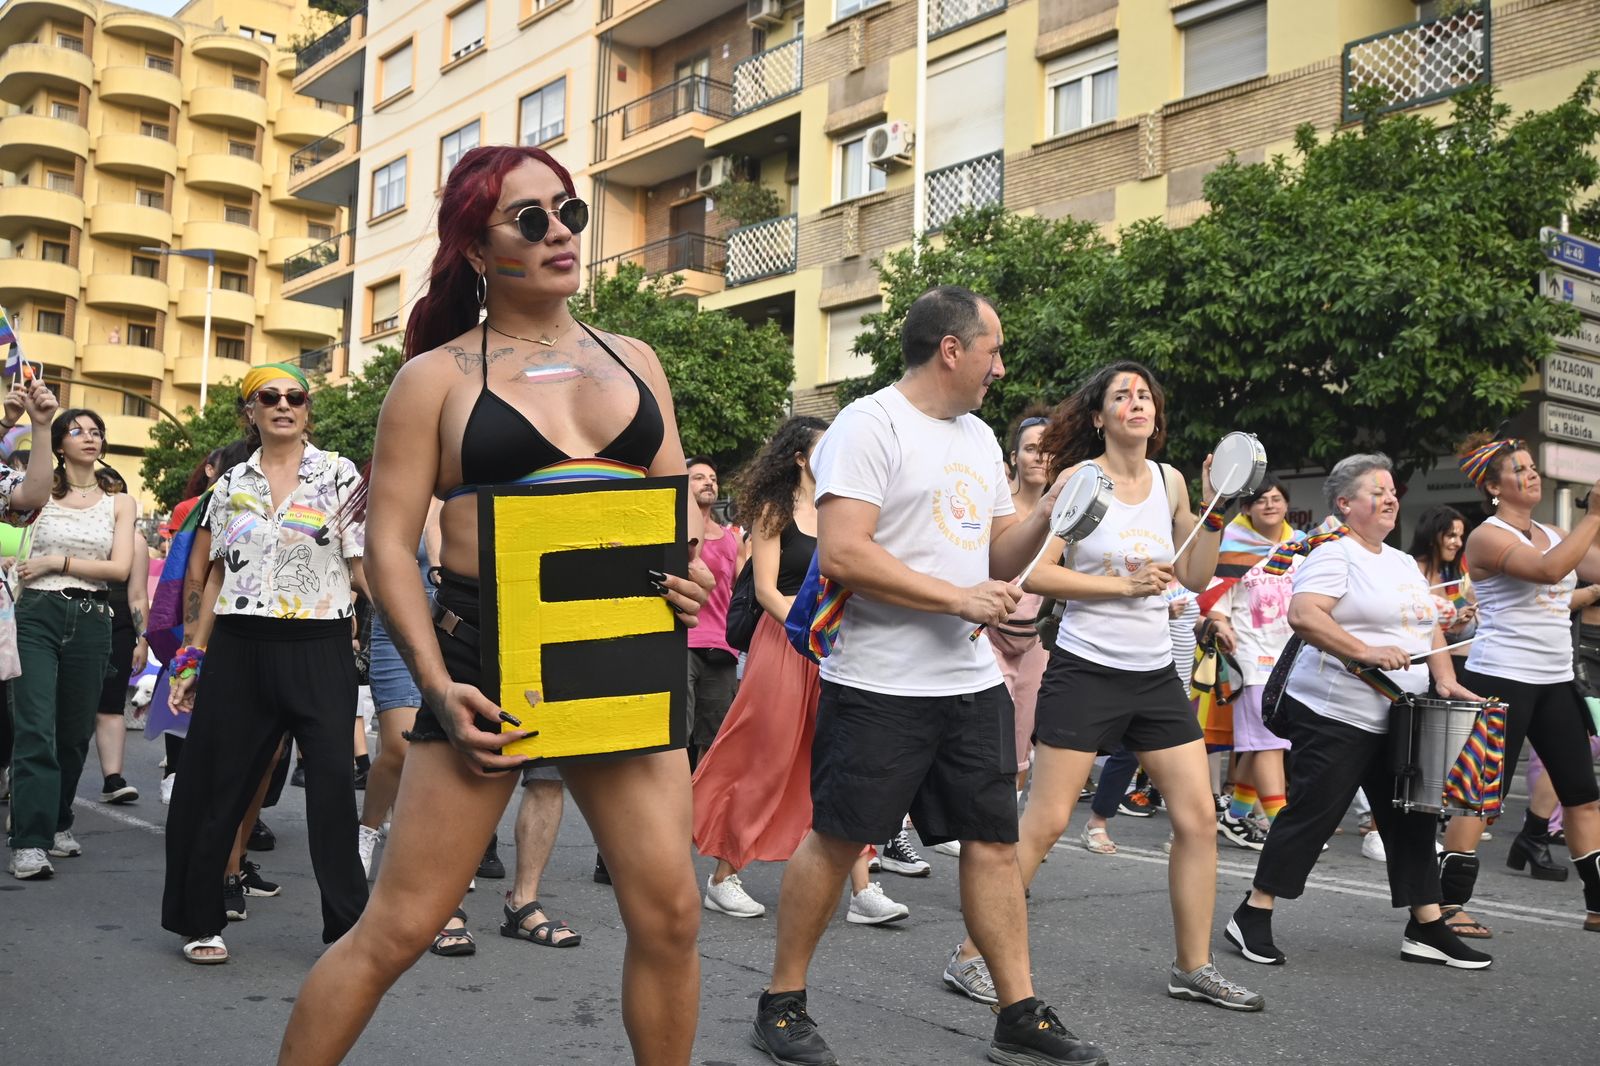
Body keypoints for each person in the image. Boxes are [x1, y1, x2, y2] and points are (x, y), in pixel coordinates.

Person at [276, 144, 709, 1066]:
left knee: (672, 918)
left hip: (622, 656)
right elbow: (388, 545)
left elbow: (674, 510)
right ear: (477, 248)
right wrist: (434, 684)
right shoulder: (434, 378)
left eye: (569, 213)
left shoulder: (636, 359)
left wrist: (692, 573)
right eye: (530, 219)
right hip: (488, 664)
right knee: (396, 929)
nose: (560, 234)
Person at [751, 286, 1109, 1066]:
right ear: (952, 349)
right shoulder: (868, 425)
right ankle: (781, 1002)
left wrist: (1049, 511)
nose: (1001, 368)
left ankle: (1017, 1010)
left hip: (967, 680)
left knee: (990, 842)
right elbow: (845, 552)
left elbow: (996, 553)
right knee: (839, 839)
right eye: (994, 349)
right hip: (878, 681)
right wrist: (958, 596)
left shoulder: (979, 437)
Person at [948, 361, 1261, 1014]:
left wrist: (1214, 512)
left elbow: (1198, 576)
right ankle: (971, 956)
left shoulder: (1172, 481)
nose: (1136, 402)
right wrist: (1123, 585)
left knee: (1198, 817)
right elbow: (1038, 576)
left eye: (1144, 394)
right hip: (1086, 668)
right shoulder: (1080, 481)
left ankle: (1193, 965)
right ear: (1099, 417)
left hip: (1152, 676)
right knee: (1045, 821)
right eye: (1122, 395)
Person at [1225, 453, 1493, 970]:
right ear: (1346, 504)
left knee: (1411, 819)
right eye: (1377, 491)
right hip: (1334, 712)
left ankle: (1427, 926)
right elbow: (1304, 616)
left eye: (1392, 490)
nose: (1390, 497)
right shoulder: (1333, 552)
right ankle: (1252, 915)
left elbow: (1424, 625)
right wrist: (1363, 651)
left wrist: (1445, 678)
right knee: (1312, 815)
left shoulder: (1397, 561)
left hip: (1399, 714)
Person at [161, 363, 370, 963]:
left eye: (294, 397)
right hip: (240, 645)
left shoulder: (339, 475)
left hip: (318, 644)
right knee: (215, 784)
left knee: (332, 784)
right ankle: (201, 920)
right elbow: (218, 572)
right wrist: (192, 654)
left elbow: (360, 565)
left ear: (307, 410)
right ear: (249, 412)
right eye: (268, 397)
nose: (283, 404)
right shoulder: (228, 487)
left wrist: (412, 638)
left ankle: (347, 927)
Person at [693, 416, 907, 927]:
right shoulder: (774, 509)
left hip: (837, 645)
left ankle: (862, 889)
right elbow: (766, 590)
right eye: (824, 446)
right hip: (785, 642)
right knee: (766, 759)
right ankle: (723, 876)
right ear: (799, 457)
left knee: (841, 761)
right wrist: (811, 630)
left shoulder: (843, 511)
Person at [1433, 438, 1600, 936]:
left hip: (1554, 680)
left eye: (1532, 468)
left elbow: (1569, 580)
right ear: (1492, 485)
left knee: (1583, 794)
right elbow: (1548, 572)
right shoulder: (1487, 536)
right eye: (1519, 470)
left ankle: (1597, 905)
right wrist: (1594, 513)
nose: (1532, 475)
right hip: (1501, 676)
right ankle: (1445, 906)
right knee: (1481, 798)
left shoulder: (1553, 532)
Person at [7, 405, 136, 881]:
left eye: (96, 430)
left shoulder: (120, 500)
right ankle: (30, 840)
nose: (89, 437)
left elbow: (119, 569)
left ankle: (58, 820)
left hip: (92, 616)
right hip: (36, 614)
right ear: (59, 444)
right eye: (77, 431)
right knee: (36, 729)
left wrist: (56, 560)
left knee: (74, 732)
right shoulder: (39, 495)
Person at [1203, 478, 1302, 852]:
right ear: (1246, 509)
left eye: (1277, 499)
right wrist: (1221, 625)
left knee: (1265, 741)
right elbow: (1214, 598)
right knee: (1269, 743)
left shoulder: (1301, 546)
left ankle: (1237, 813)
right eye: (1261, 500)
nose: (1270, 505)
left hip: (1293, 658)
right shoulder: (1233, 547)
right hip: (1251, 658)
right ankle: (1282, 826)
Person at [991, 407, 1052, 802]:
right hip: (989, 635)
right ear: (1014, 457)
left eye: (1048, 450)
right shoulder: (996, 508)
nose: (1040, 457)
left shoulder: (1064, 514)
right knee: (990, 734)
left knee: (1019, 743)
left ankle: (1004, 834)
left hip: (1035, 641)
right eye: (1031, 449)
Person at [92, 513, 151, 804]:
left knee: (111, 705)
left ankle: (112, 779)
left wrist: (143, 639)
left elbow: (139, 594)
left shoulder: (136, 541)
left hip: (119, 628)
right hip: (75, 623)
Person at [685, 456, 740, 767]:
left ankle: (701, 811)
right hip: (682, 642)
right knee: (677, 736)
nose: (708, 482)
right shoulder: (672, 526)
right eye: (698, 477)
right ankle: (672, 810)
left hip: (721, 648)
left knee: (713, 741)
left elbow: (738, 594)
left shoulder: (732, 539)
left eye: (713, 478)